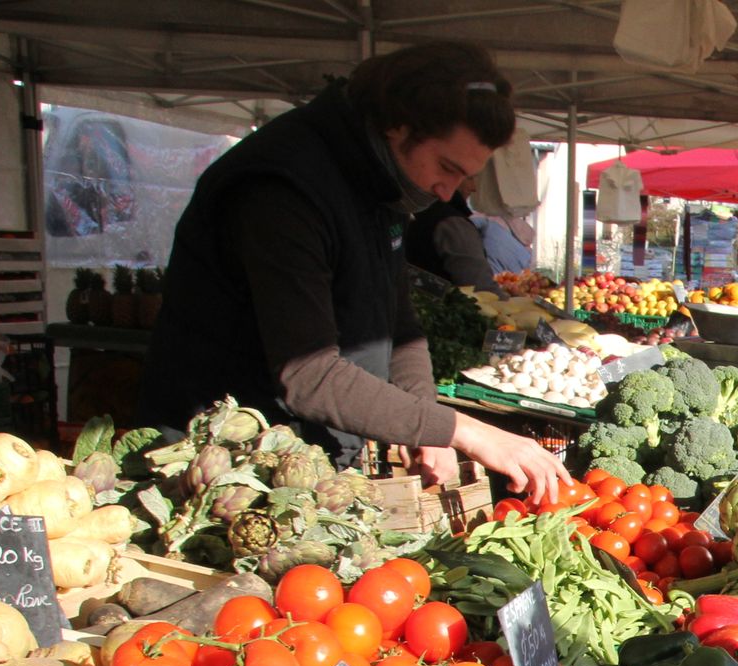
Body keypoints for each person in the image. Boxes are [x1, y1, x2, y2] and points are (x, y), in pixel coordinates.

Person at [140, 41, 566, 501]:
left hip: (295, 457)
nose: (448, 193)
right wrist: (465, 431)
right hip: (218, 464)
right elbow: (309, 375)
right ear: (397, 125)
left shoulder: (378, 183)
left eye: (463, 177)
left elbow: (400, 327)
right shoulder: (284, 190)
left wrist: (424, 420)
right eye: (446, 167)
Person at [405, 180, 502, 293]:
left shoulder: (413, 210)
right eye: (470, 178)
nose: (474, 188)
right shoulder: (453, 223)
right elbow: (480, 286)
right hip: (445, 307)